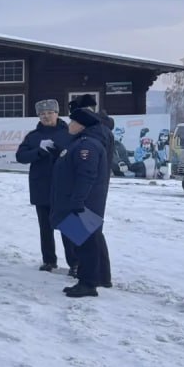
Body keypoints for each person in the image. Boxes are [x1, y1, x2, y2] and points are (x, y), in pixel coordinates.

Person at [52, 105, 110, 298]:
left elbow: (86, 175)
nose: (70, 125)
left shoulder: (87, 145)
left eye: (73, 122)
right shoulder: (81, 142)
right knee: (83, 243)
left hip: (82, 205)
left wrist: (78, 201)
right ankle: (90, 279)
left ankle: (88, 283)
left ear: (81, 125)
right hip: (77, 202)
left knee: (86, 245)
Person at [15, 98, 76, 273]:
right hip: (41, 188)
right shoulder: (33, 136)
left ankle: (76, 263)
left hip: (64, 189)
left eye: (50, 113)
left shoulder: (69, 133)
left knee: (69, 227)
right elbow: (20, 156)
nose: (46, 117)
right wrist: (39, 152)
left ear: (57, 113)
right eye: (42, 114)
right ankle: (49, 260)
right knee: (45, 228)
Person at [68, 94, 114, 286]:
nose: (69, 122)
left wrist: (77, 197)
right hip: (91, 189)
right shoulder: (100, 131)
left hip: (87, 192)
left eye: (72, 118)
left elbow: (87, 169)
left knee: (87, 234)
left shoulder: (91, 138)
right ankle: (99, 276)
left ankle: (90, 278)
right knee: (90, 233)